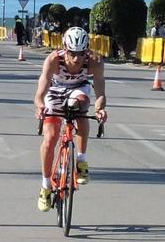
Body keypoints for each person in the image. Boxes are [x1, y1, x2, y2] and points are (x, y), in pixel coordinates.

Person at [32, 25, 108, 209]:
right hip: (55, 91)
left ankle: (81, 161)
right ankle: (45, 187)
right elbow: (41, 88)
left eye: (81, 53)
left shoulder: (95, 62)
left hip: (78, 89)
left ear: (86, 50)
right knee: (50, 138)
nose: (76, 58)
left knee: (80, 105)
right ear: (64, 48)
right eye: (71, 53)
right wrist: (39, 104)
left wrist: (100, 110)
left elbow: (99, 92)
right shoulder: (53, 60)